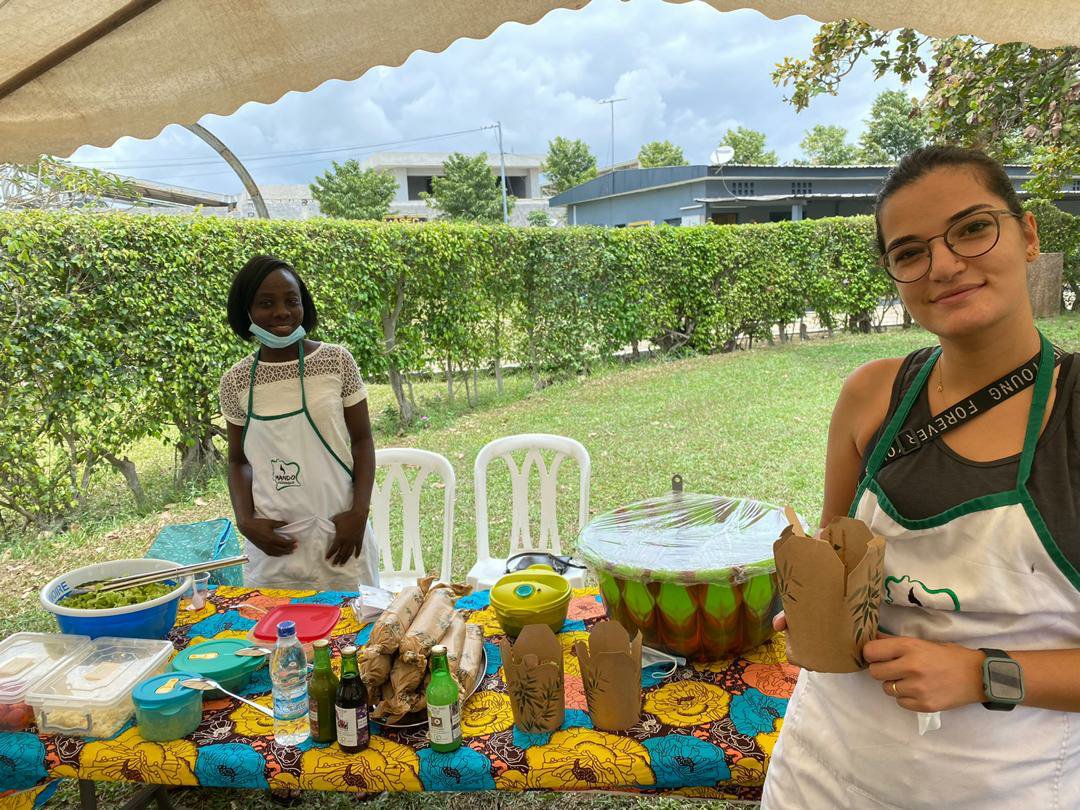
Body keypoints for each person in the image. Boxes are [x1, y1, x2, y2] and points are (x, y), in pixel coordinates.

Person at [761, 146, 1079, 809]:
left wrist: (982, 673)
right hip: (822, 773)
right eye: (909, 252)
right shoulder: (871, 396)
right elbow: (839, 551)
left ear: (1027, 235)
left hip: (1001, 789)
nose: (943, 265)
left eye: (972, 228)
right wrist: (817, 603)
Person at [220, 255, 379, 591]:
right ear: (246, 311)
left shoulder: (336, 361)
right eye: (266, 303)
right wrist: (245, 521)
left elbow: (363, 441)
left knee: (353, 622)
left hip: (340, 534)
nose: (282, 312)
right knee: (277, 624)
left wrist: (359, 513)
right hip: (274, 544)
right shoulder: (236, 380)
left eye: (292, 301)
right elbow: (238, 461)